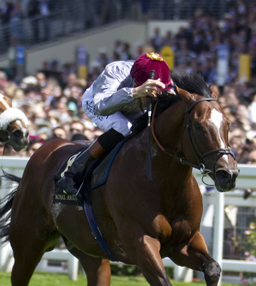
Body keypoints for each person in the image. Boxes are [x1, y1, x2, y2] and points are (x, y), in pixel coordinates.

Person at [56, 52, 174, 194]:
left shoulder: (165, 79)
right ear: (136, 81)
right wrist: (135, 92)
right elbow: (101, 106)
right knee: (124, 127)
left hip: (131, 107)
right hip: (97, 103)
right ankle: (74, 170)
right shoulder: (116, 71)